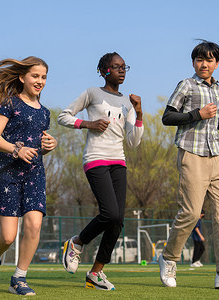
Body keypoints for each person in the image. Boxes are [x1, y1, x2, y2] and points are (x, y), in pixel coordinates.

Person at [159, 40, 219, 289]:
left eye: (209, 60)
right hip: (192, 154)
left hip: (216, 155)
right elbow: (168, 117)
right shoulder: (186, 85)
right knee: (191, 213)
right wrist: (197, 114)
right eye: (200, 59)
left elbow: (210, 121)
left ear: (217, 64)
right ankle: (169, 258)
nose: (204, 64)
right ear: (194, 62)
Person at [58, 52, 144, 290]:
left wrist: (139, 112)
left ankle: (96, 273)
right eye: (116, 67)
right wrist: (88, 124)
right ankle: (76, 242)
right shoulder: (91, 93)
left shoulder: (128, 101)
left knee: (117, 221)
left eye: (124, 66)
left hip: (119, 161)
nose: (121, 70)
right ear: (104, 70)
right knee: (110, 214)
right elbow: (63, 116)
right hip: (96, 158)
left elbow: (134, 141)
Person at [0, 56, 57, 296]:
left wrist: (49, 144)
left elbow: (38, 143)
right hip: (7, 175)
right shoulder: (10, 104)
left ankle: (18, 278)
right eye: (35, 76)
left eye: (43, 77)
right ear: (22, 77)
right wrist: (16, 149)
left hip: (34, 175)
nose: (40, 81)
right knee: (8, 237)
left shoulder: (45, 113)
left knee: (34, 224)